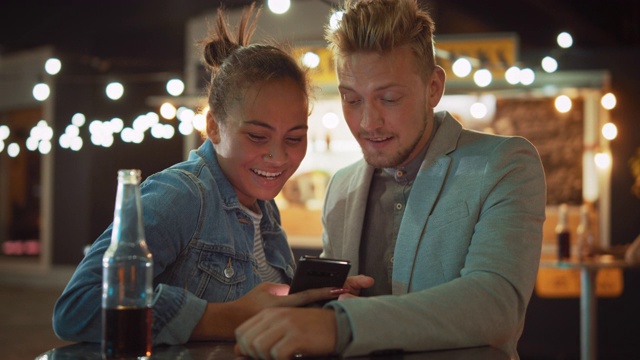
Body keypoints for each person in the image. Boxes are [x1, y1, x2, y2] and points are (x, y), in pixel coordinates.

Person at [234, 0, 546, 358]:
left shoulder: (504, 164)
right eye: (351, 100)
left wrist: (342, 323)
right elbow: (331, 305)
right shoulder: (342, 187)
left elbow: (495, 305)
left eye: (389, 99)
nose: (368, 122)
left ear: (433, 88)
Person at [53, 4, 346, 346]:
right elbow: (77, 307)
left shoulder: (265, 211)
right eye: (257, 136)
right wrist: (223, 319)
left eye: (294, 138)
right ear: (213, 127)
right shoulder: (180, 195)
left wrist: (321, 301)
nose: (278, 156)